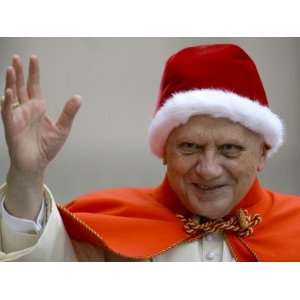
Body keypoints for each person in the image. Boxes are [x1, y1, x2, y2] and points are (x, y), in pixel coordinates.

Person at [0, 43, 300, 262]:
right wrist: (27, 175)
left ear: (263, 153)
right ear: (164, 151)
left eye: (229, 149)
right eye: (190, 147)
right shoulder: (108, 223)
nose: (208, 169)